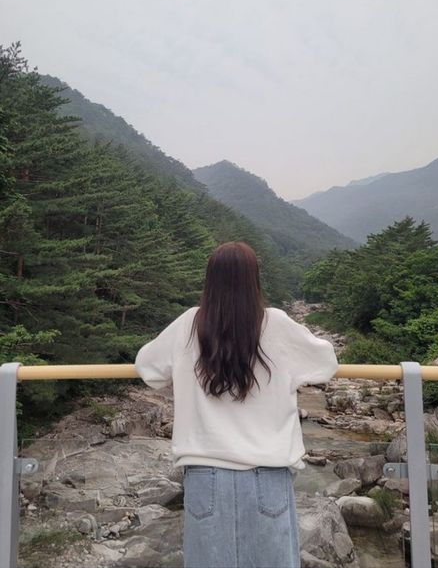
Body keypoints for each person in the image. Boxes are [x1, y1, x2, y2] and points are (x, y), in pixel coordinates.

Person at [135, 241, 339, 568]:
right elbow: (326, 362)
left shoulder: (189, 324)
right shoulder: (275, 323)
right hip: (267, 476)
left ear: (210, 281)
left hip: (205, 478)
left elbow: (147, 367)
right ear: (253, 281)